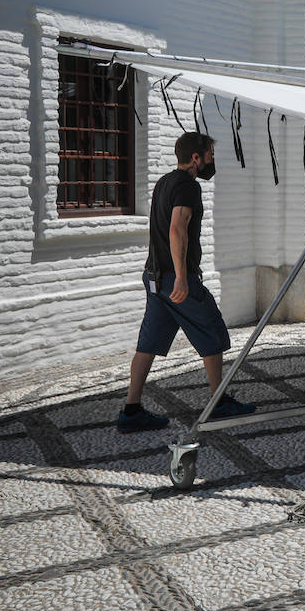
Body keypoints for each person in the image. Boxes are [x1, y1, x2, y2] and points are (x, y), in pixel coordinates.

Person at [118, 132, 255, 432]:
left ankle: (131, 410)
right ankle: (219, 402)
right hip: (174, 279)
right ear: (196, 158)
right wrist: (182, 277)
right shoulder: (188, 187)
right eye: (210, 155)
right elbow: (177, 229)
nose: (211, 161)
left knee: (148, 343)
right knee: (213, 333)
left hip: (154, 277)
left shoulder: (164, 182)